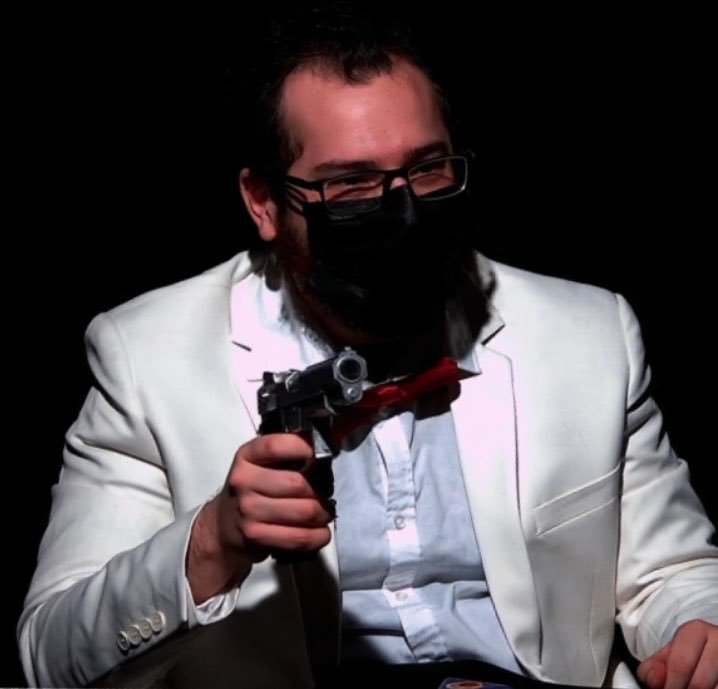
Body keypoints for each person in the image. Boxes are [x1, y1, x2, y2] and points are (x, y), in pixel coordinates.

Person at [18, 4, 717, 688]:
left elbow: (673, 573)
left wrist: (697, 630)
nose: (402, 210)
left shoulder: (588, 335)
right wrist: (211, 542)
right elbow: (51, 658)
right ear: (264, 203)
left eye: (428, 168)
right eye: (349, 184)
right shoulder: (147, 358)